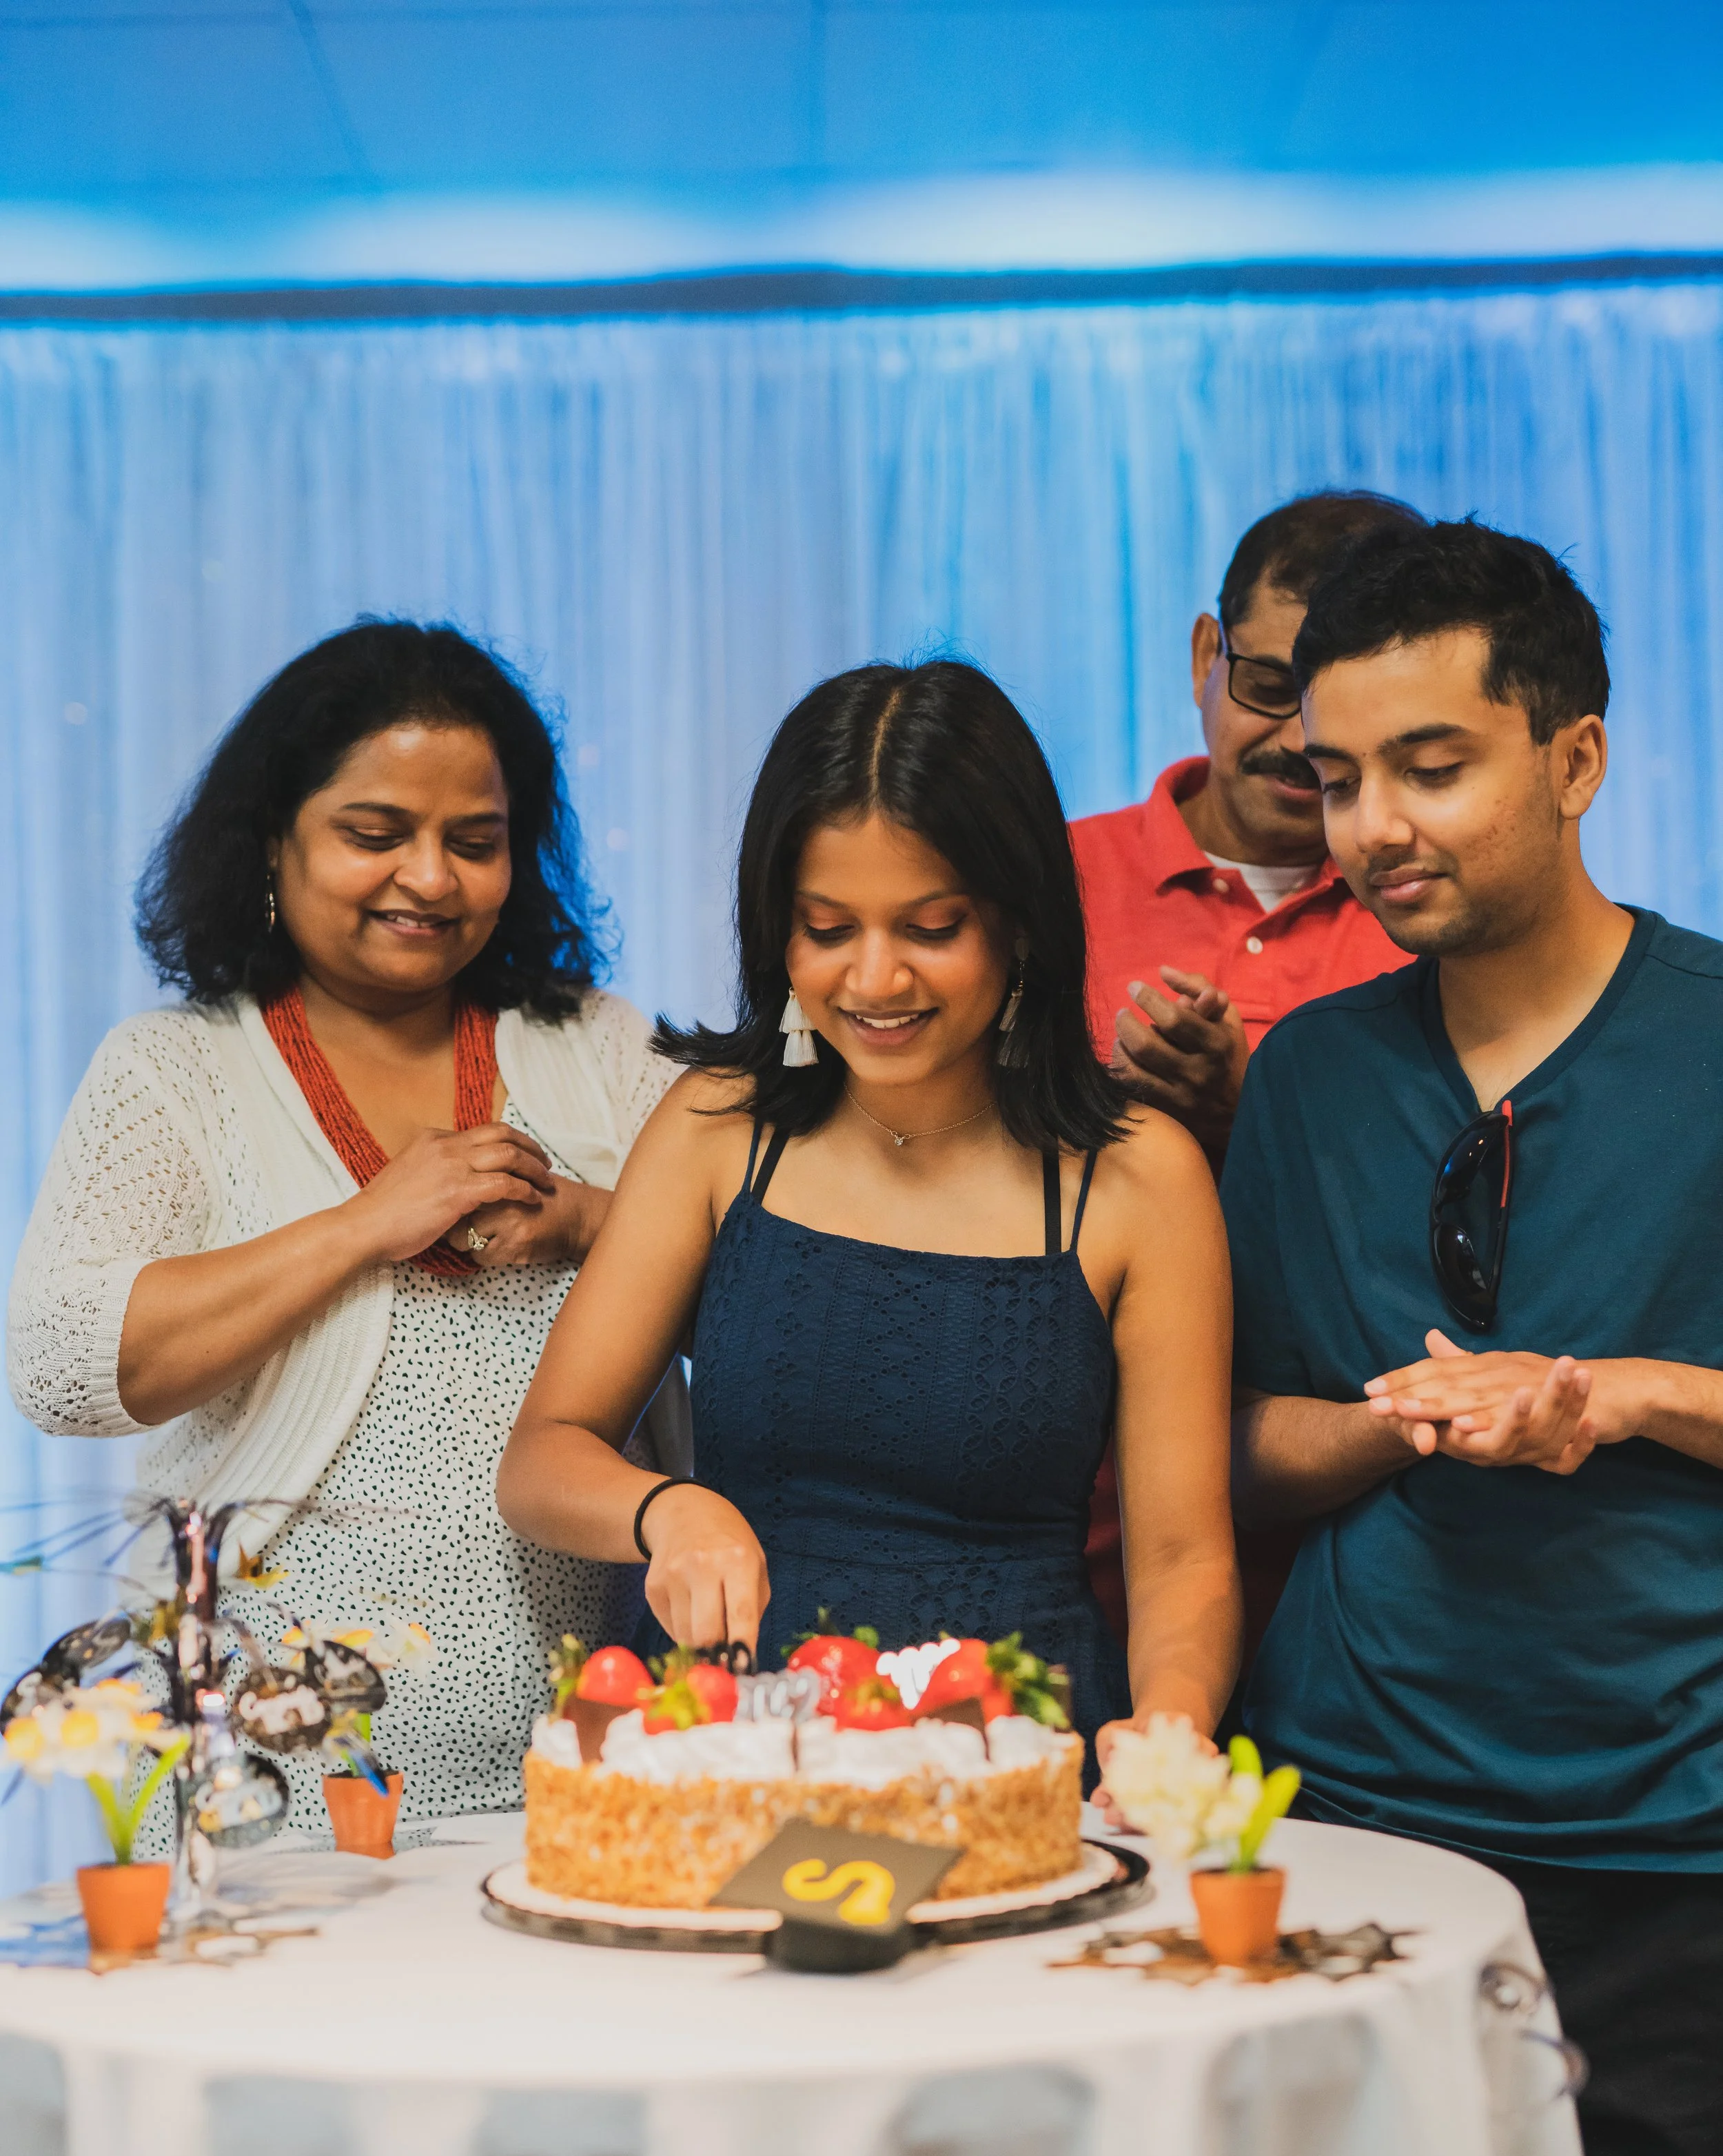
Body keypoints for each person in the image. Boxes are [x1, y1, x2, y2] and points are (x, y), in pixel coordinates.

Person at [1223, 520, 1723, 2156]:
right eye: (1338, 777)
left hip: (1666, 1827)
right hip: (1355, 1808)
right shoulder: (1305, 1076)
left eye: (1429, 769)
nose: (1373, 829)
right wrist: (1402, 1426)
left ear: (1572, 756)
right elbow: (1233, 1444)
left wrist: (1613, 1399)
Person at [497, 660, 1239, 1776]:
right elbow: (544, 1459)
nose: (875, 977)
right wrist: (669, 1510)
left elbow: (1182, 1556)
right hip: (726, 1741)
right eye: (828, 927)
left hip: (1007, 1749)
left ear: (1021, 926)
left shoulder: (1139, 1181)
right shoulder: (718, 1127)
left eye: (931, 927)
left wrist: (1171, 1718)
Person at [8, 619, 686, 1827]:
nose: (430, 878)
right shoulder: (176, 1070)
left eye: (474, 843)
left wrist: (590, 1219)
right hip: (255, 1772)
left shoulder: (603, 1052)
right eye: (376, 835)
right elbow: (63, 1364)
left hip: (583, 1759)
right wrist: (365, 1223)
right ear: (273, 839)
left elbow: (763, 1288)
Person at [1072, 491, 1424, 1652]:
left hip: (1356, 1573)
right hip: (1065, 1550)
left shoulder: (1434, 920)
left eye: (1336, 703)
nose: (1293, 739)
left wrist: (1246, 1119)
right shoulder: (1049, 885)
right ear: (1202, 656)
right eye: (1270, 685)